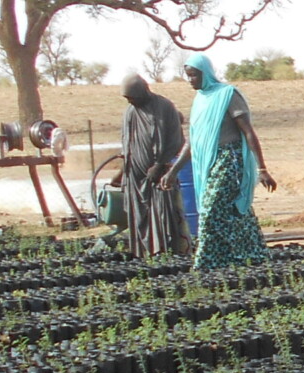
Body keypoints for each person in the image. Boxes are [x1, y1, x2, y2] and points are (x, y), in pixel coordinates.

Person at [161, 54, 276, 269]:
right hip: (208, 163)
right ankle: (252, 256)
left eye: (194, 75)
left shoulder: (227, 95)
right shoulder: (200, 101)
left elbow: (249, 132)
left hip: (230, 161)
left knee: (211, 209)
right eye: (188, 76)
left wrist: (262, 168)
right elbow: (194, 142)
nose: (191, 80)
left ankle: (206, 263)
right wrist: (174, 171)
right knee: (233, 211)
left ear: (206, 73)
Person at [118, 74, 191, 259]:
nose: (131, 101)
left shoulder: (164, 107)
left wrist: (159, 165)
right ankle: (143, 254)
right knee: (140, 217)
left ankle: (166, 252)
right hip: (135, 177)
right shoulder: (130, 112)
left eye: (132, 97)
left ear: (144, 91)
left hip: (159, 175)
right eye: (127, 99)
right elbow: (128, 144)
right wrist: (123, 172)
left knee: (164, 214)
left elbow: (175, 140)